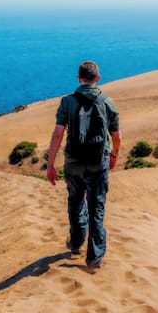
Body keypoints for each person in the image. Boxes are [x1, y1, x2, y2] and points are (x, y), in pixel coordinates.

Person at [46, 60, 121, 272]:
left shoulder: (67, 102)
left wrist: (50, 164)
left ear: (79, 78)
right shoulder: (107, 103)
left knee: (75, 201)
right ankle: (94, 259)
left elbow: (58, 133)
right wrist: (114, 155)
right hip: (99, 162)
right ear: (97, 78)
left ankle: (76, 243)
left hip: (73, 162)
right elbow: (117, 136)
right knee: (96, 207)